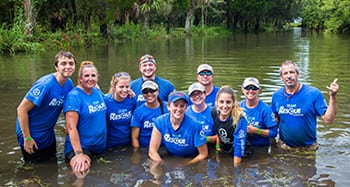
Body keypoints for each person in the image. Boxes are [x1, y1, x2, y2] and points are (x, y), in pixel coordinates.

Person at [16, 51, 76, 163]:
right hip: (31, 132)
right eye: (63, 63)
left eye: (71, 63)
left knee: (52, 164)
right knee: (33, 168)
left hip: (48, 132)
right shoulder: (44, 85)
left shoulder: (69, 84)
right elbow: (21, 109)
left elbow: (68, 106)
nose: (68, 67)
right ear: (56, 67)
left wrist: (68, 124)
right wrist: (27, 138)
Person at [271, 60, 338, 150]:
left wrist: (332, 96)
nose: (289, 76)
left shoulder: (313, 93)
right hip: (284, 147)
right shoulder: (277, 96)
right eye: (285, 73)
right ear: (281, 77)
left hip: (308, 148)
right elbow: (275, 120)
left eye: (292, 72)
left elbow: (329, 120)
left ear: (298, 74)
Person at [64, 61, 107, 174]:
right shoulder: (74, 96)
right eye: (86, 76)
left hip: (99, 146)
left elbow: (110, 99)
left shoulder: (97, 92)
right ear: (80, 79)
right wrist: (78, 154)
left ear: (97, 78)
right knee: (81, 170)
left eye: (93, 75)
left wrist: (128, 92)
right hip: (81, 146)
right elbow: (71, 127)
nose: (90, 79)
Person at [148, 91, 208, 165]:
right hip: (169, 156)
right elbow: (152, 151)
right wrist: (162, 165)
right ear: (169, 106)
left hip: (190, 157)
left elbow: (203, 154)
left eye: (182, 106)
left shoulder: (195, 125)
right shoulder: (160, 122)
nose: (179, 109)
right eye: (175, 105)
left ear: (186, 108)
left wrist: (187, 164)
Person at [211, 86, 248, 166]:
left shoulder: (239, 119)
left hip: (242, 154)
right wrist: (217, 149)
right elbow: (218, 132)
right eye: (221, 102)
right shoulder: (214, 112)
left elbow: (239, 147)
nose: (224, 106)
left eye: (228, 102)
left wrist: (235, 169)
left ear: (233, 102)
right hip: (225, 150)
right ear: (217, 102)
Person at [239, 77, 277, 148]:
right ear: (243, 90)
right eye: (247, 88)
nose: (251, 91)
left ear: (259, 90)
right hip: (242, 146)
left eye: (254, 88)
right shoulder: (238, 107)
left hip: (260, 148)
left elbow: (274, 133)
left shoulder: (265, 109)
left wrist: (256, 131)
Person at [131, 80, 168, 148]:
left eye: (152, 91)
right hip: (145, 148)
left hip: (164, 147)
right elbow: (134, 138)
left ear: (158, 91)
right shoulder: (138, 112)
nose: (149, 94)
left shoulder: (168, 107)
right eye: (145, 92)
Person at [104, 72, 137, 148]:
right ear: (114, 86)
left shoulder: (132, 99)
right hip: (110, 145)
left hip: (128, 144)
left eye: (127, 87)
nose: (125, 90)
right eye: (121, 87)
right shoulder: (106, 101)